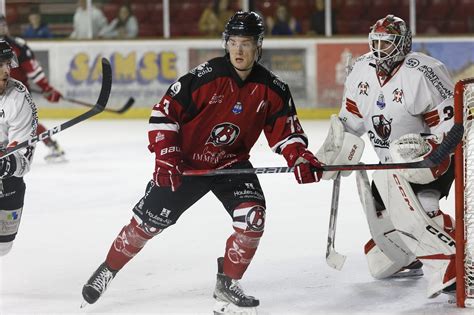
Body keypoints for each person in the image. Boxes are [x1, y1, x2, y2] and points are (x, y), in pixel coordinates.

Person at [81, 11, 323, 313]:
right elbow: (164, 113)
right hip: (186, 165)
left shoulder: (273, 88)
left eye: (245, 43)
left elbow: (286, 132)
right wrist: (167, 155)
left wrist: (298, 156)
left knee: (253, 218)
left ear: (258, 46)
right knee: (146, 225)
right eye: (233, 42)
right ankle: (108, 269)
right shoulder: (207, 76)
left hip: (232, 164)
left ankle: (228, 282)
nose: (238, 50)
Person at [331, 14, 456, 298]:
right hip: (389, 165)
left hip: (430, 164)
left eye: (386, 44)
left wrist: (430, 149)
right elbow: (350, 122)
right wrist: (332, 155)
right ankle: (443, 234)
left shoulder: (425, 72)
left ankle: (446, 263)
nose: (378, 49)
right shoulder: (361, 69)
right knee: (382, 261)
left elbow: (451, 126)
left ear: (403, 44)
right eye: (375, 42)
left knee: (417, 202)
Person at [0, 15, 65, 162]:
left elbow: (33, 70)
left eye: (4, 24)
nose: (2, 27)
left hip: (15, 93)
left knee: (26, 124)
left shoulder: (17, 46)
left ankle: (52, 145)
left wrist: (46, 88)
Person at [0, 40, 38, 256]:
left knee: (2, 248)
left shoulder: (18, 96)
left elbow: (24, 161)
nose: (7, 70)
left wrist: (7, 162)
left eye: (8, 64)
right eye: (0, 65)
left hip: (7, 183)